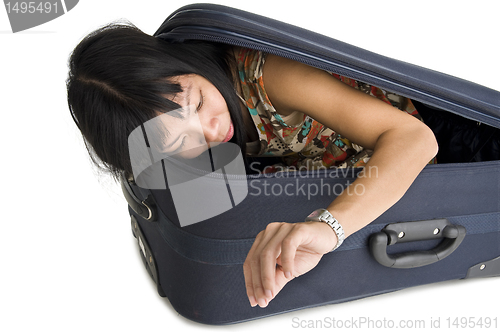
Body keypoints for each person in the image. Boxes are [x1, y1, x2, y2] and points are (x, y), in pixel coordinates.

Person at [67, 23, 438, 309]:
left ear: (182, 62)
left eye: (196, 103)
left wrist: (329, 228)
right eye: (181, 142)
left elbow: (415, 139)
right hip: (308, 168)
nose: (212, 131)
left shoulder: (272, 76)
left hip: (390, 165)